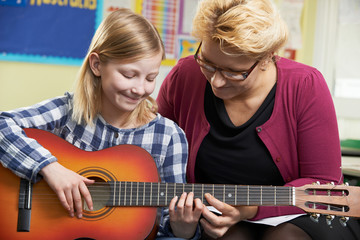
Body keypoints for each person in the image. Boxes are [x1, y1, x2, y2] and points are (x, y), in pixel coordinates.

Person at [156, 0, 360, 239]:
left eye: (233, 72)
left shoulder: (306, 85)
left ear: (267, 58)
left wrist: (251, 209)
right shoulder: (184, 76)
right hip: (218, 219)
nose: (217, 82)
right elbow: (154, 151)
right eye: (208, 64)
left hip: (302, 217)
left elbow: (324, 183)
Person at [0, 8, 200, 239]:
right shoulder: (67, 111)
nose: (140, 88)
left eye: (150, 78)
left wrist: (184, 229)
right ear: (96, 65)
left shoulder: (169, 136)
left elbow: (167, 226)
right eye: (128, 75)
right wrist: (51, 169)